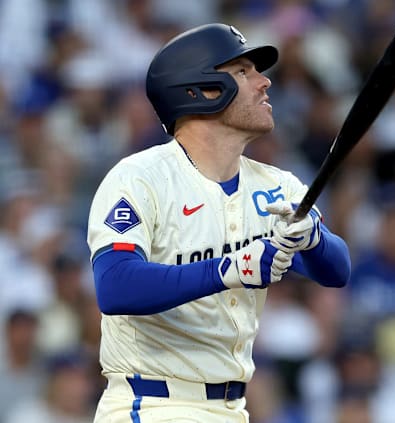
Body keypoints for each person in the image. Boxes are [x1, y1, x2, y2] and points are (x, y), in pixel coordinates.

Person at [86, 23, 351, 422]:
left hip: (232, 408)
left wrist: (312, 239)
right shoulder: (140, 177)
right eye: (244, 72)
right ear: (202, 89)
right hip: (153, 402)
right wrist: (232, 268)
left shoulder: (276, 186)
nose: (264, 83)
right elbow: (116, 286)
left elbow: (338, 271)